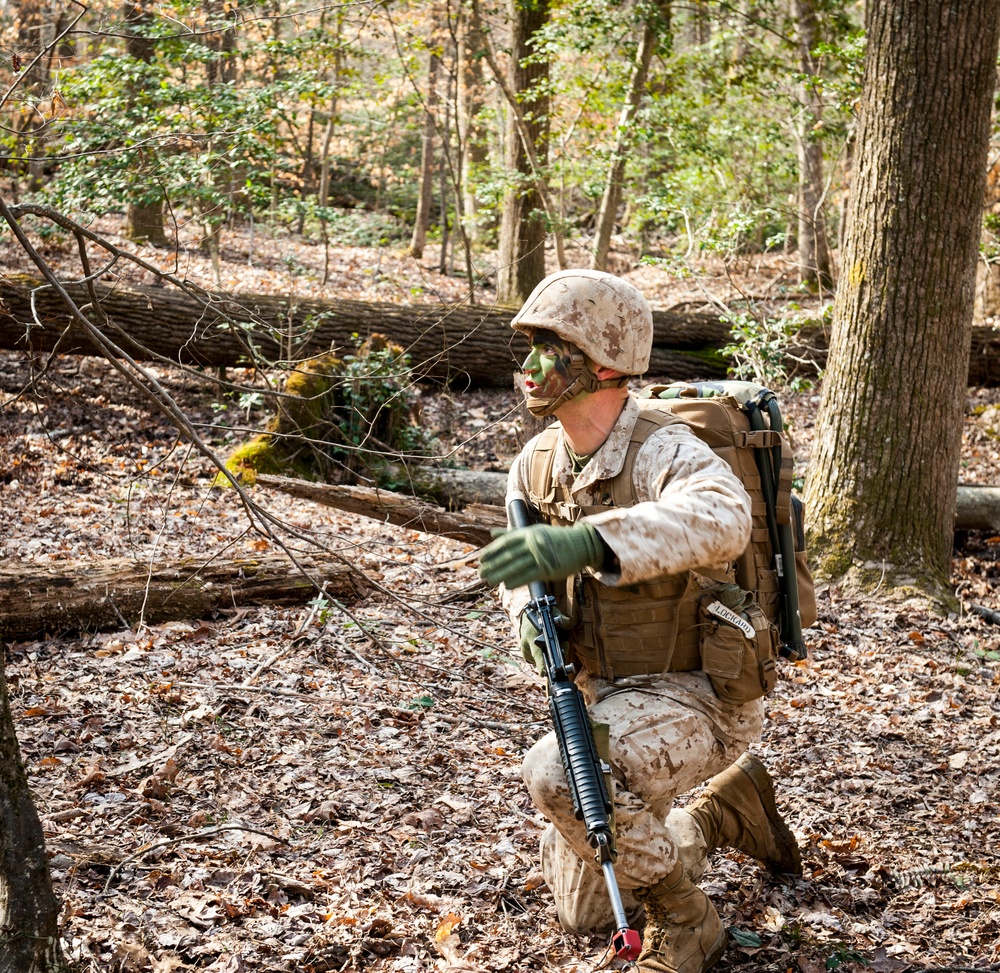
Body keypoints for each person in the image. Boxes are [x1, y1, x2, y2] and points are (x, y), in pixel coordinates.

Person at [478, 270, 801, 973]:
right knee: (585, 911)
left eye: (549, 349)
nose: (528, 368)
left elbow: (725, 517)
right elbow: (521, 570)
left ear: (603, 364)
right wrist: (524, 614)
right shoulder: (536, 465)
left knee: (558, 773)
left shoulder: (664, 447)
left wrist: (595, 540)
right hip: (606, 696)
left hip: (701, 696)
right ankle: (721, 811)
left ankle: (689, 923)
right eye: (527, 348)